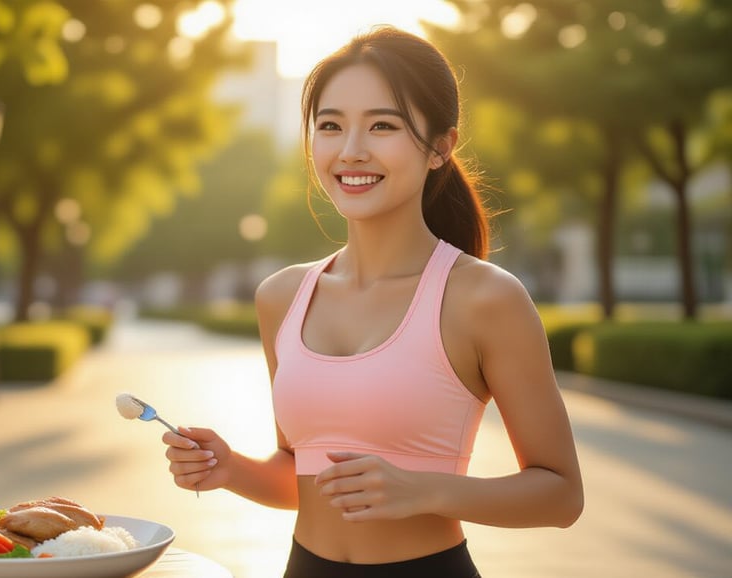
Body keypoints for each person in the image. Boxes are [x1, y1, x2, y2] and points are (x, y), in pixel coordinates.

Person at [161, 25, 583, 578]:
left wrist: (426, 490)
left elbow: (560, 496)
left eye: (382, 125)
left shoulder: (484, 298)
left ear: (440, 147)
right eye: (330, 125)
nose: (350, 150)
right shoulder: (283, 297)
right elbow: (304, 475)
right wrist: (229, 467)